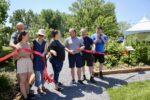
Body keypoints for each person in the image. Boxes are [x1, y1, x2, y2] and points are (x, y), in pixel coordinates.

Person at [15, 31, 33, 100]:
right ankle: (25, 97)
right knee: (22, 80)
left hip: (29, 61)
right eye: (27, 35)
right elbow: (15, 57)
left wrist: (31, 55)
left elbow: (31, 53)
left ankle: (28, 93)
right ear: (23, 36)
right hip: (21, 62)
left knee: (27, 79)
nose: (29, 36)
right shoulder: (18, 45)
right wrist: (20, 54)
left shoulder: (28, 44)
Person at [31, 29, 48, 94]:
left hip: (43, 60)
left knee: (43, 74)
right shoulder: (33, 42)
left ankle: (43, 86)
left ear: (43, 36)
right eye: (39, 35)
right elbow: (31, 50)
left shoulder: (45, 42)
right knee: (37, 76)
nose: (40, 36)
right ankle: (38, 88)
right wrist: (32, 55)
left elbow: (45, 50)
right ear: (37, 35)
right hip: (36, 61)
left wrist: (43, 54)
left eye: (42, 35)